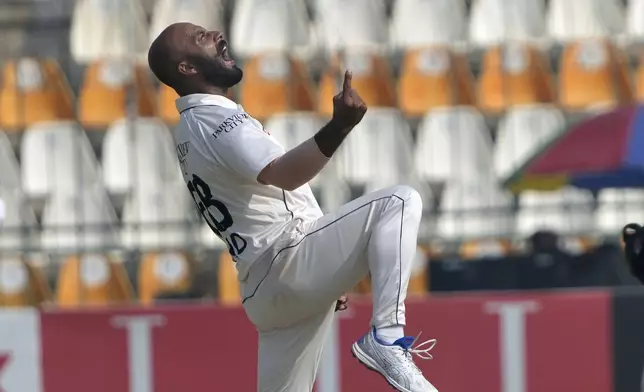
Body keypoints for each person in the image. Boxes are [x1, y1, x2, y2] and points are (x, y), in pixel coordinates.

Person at [148, 22, 437, 392]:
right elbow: (284, 175)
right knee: (399, 201)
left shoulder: (190, 129)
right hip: (286, 259)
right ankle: (387, 338)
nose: (215, 34)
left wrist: (327, 273)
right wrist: (339, 127)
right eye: (199, 37)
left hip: (263, 292)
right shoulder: (219, 120)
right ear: (186, 68)